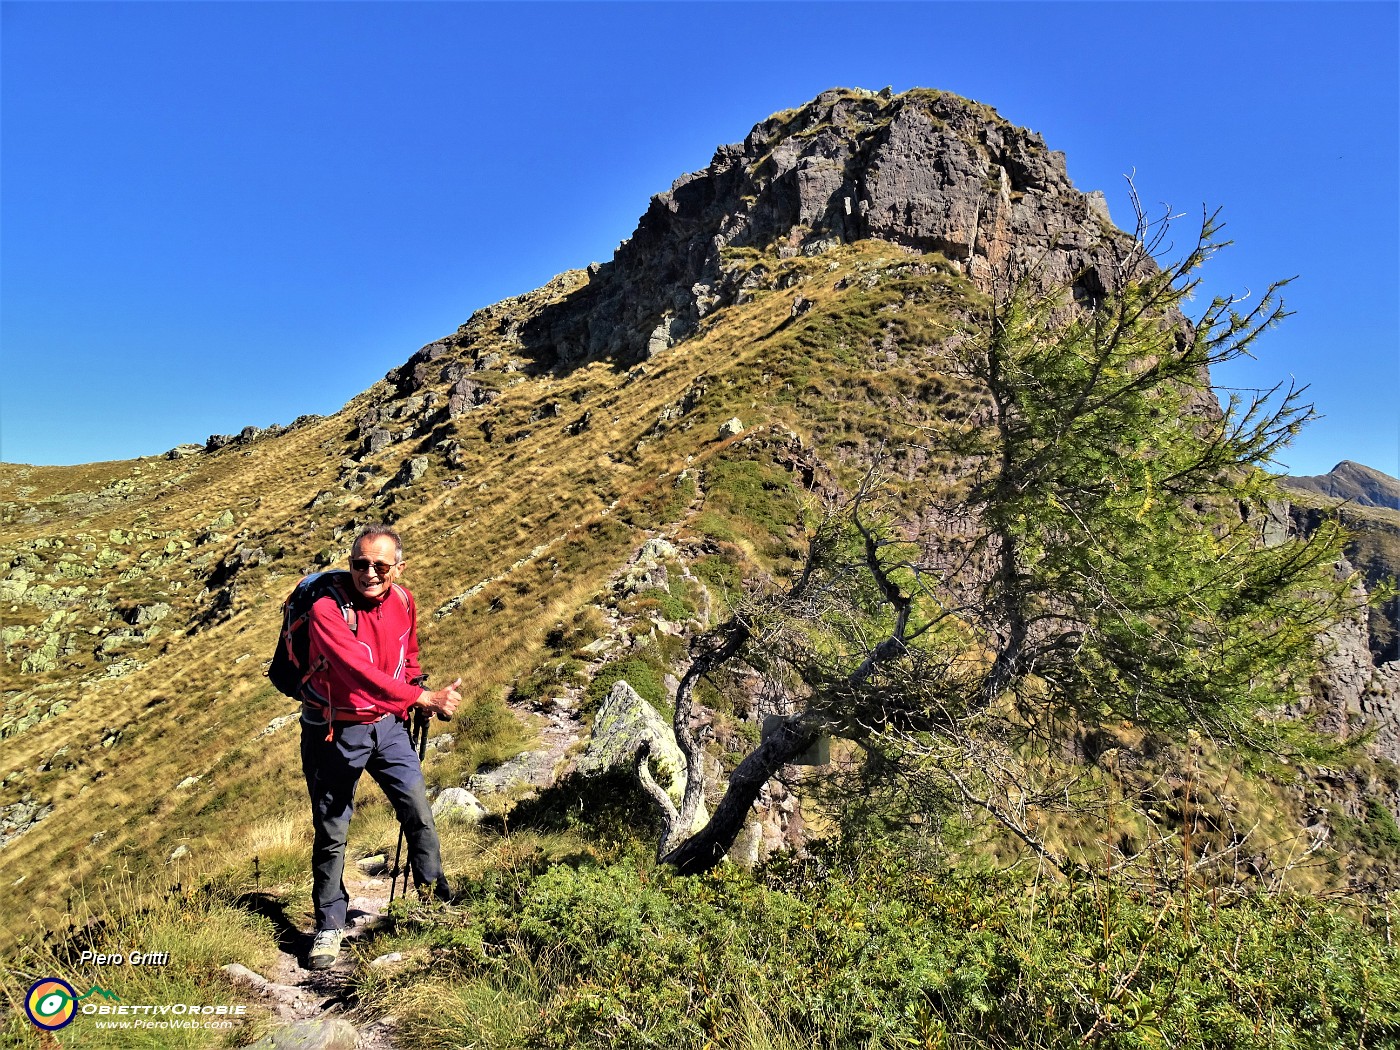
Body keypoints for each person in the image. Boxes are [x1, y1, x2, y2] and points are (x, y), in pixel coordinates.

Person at [299, 523, 461, 971]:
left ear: (399, 567)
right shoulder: (327, 609)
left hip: (389, 727)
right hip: (335, 730)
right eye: (360, 563)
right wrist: (420, 698)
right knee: (332, 830)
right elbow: (354, 671)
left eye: (380, 565)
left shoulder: (404, 601)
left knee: (419, 813)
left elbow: (408, 657)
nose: (369, 572)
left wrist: (415, 693)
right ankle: (329, 924)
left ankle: (433, 902)